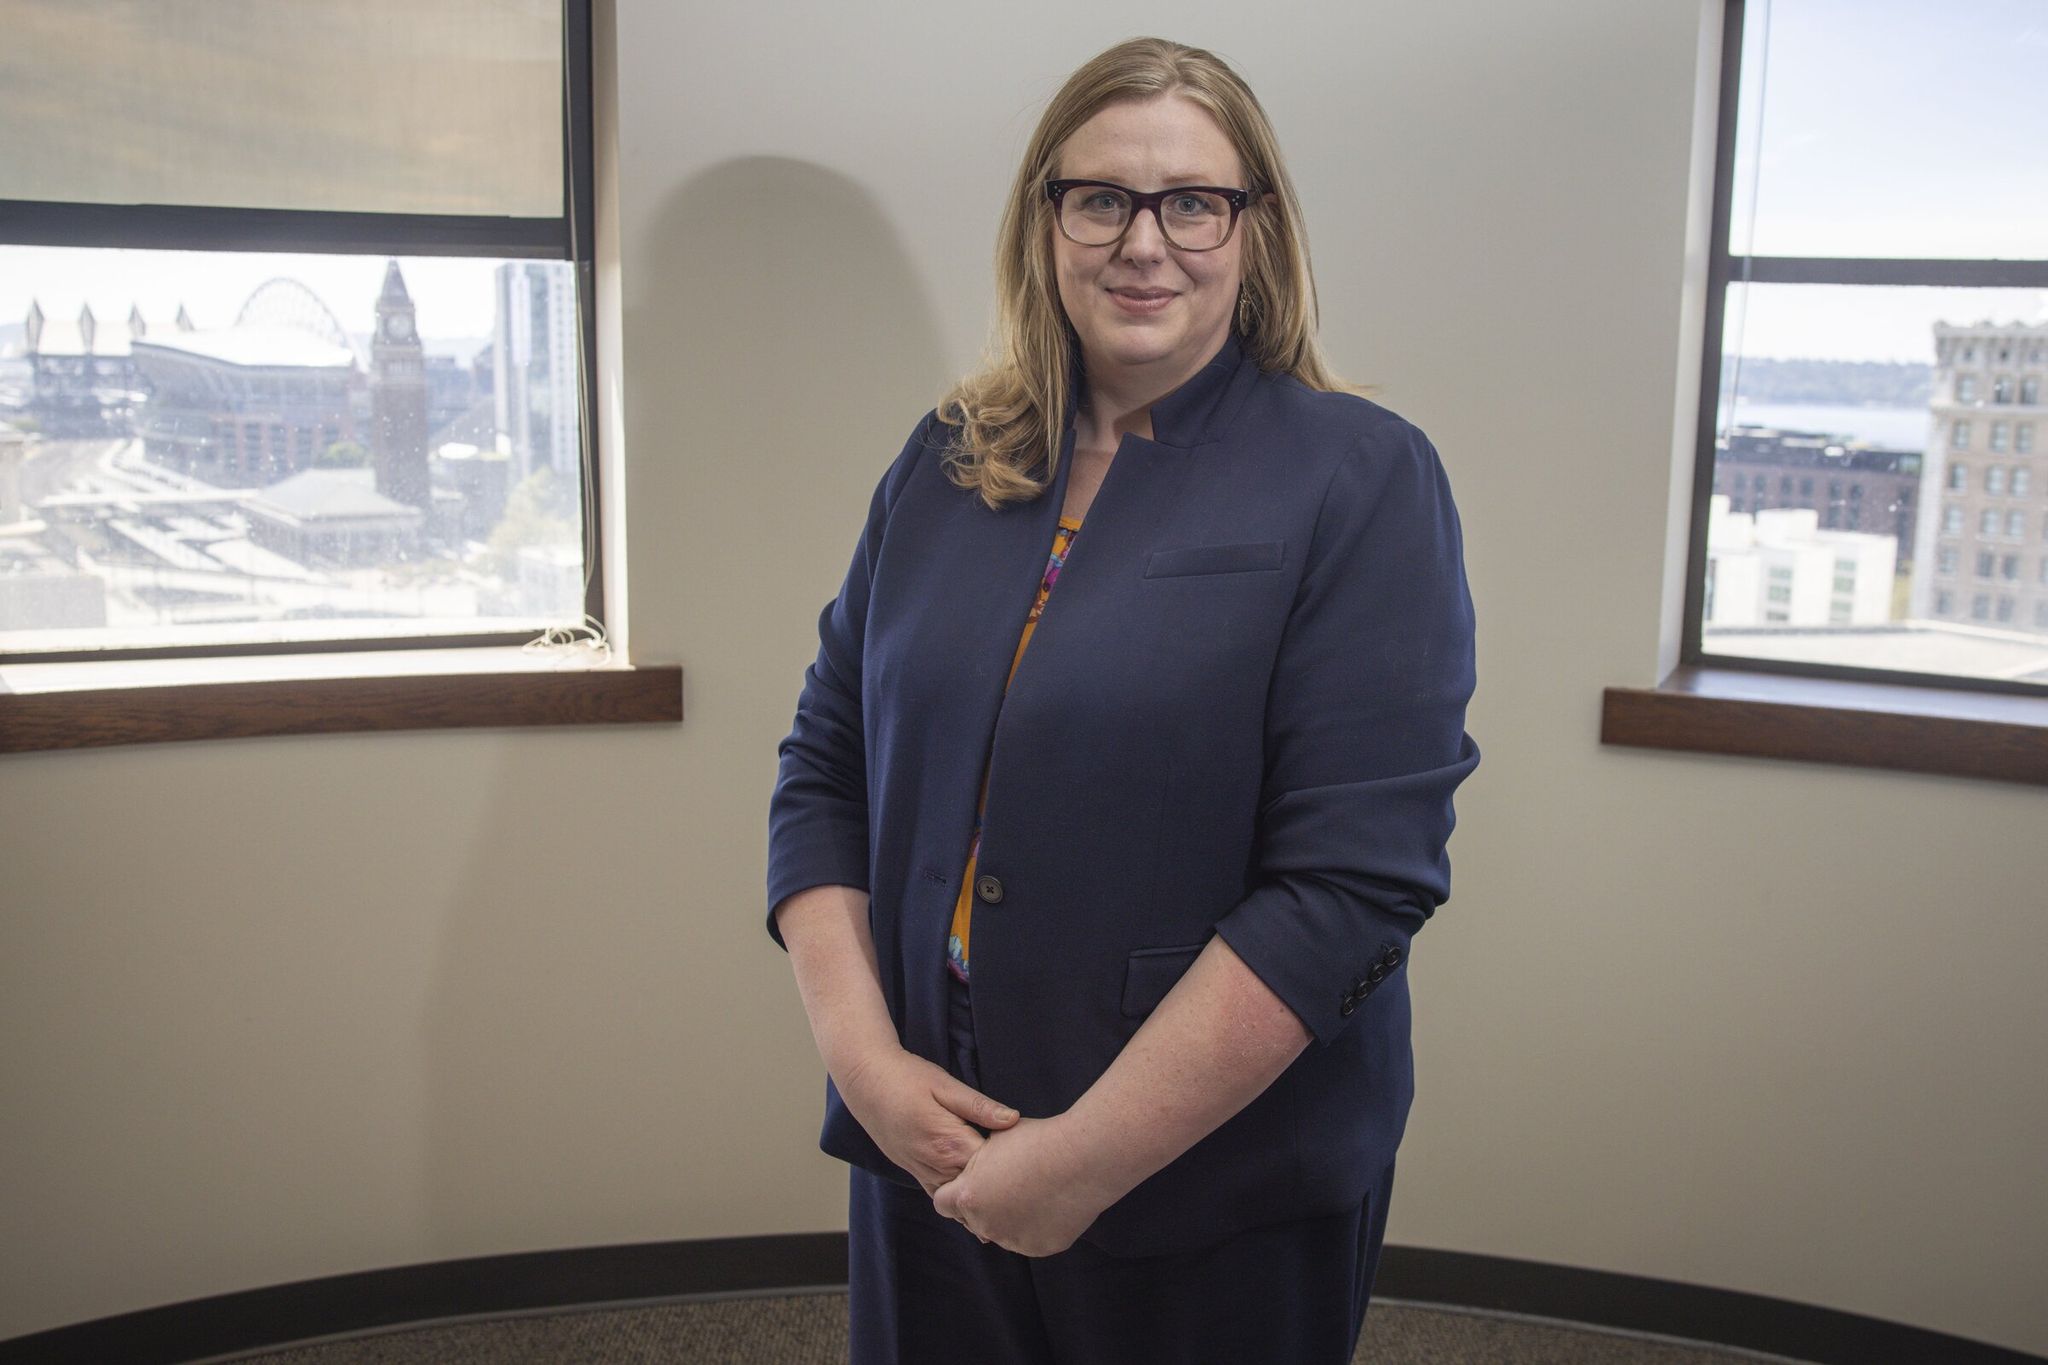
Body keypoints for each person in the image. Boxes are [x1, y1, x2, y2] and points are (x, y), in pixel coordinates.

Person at [766, 35, 1480, 1365]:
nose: (1144, 242)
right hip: (932, 1131)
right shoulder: (947, 461)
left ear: (1256, 231)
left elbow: (1354, 889)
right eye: (1100, 198)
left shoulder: (1361, 479)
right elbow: (825, 762)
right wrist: (864, 1060)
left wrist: (1084, 1160)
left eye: (1193, 201)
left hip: (1206, 1170)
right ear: (1045, 222)